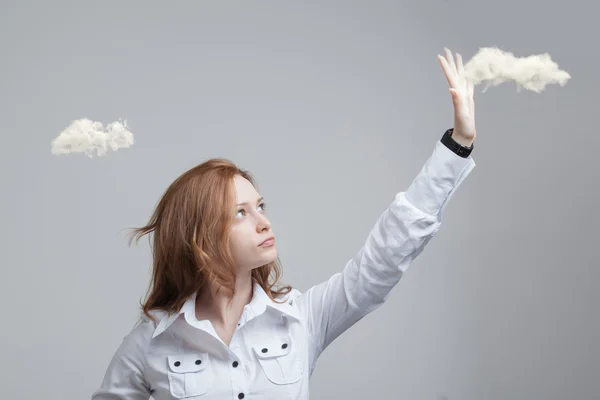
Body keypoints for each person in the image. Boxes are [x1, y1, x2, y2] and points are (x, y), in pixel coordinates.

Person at [91, 48, 477, 400]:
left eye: (260, 206)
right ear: (201, 238)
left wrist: (457, 144)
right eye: (240, 212)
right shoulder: (153, 340)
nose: (263, 221)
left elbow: (384, 260)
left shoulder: (300, 317)